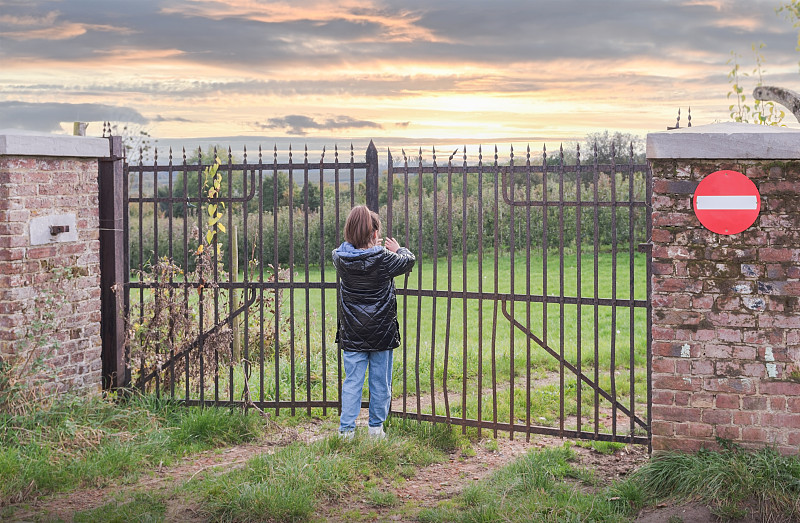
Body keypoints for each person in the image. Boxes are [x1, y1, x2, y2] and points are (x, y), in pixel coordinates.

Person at [332, 205, 415, 439]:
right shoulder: (384, 259)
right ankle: (376, 429)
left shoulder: (340, 259)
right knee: (380, 383)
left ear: (349, 233)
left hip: (352, 333)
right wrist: (400, 249)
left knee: (352, 383)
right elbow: (408, 261)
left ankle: (346, 431)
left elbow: (354, 253)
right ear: (375, 235)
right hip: (381, 333)